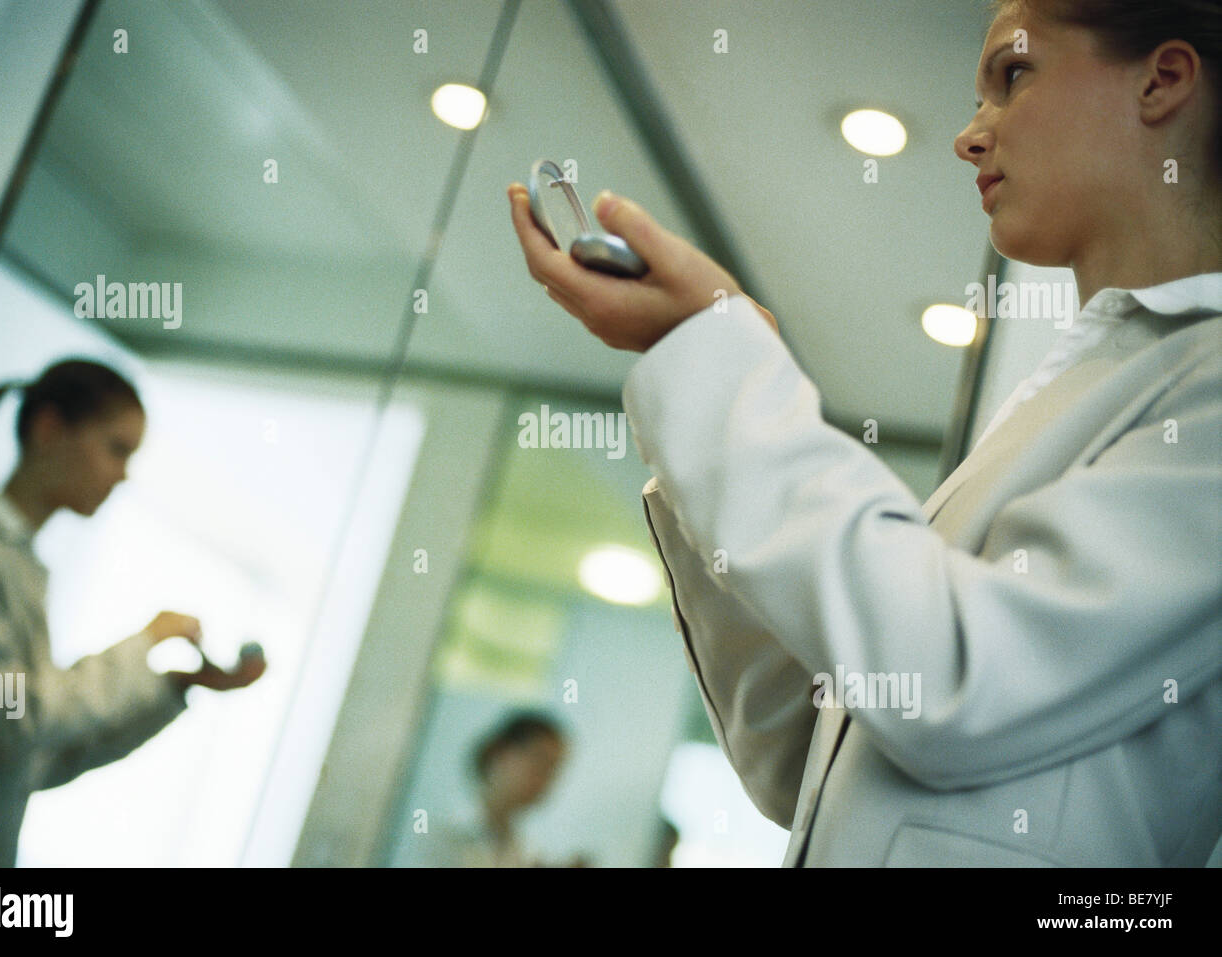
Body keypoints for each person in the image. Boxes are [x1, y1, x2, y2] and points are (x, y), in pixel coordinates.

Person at [508, 0, 1221, 866]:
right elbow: (799, 761)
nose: (970, 136)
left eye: (1013, 75)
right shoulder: (1071, 397)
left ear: (1164, 79)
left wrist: (734, 388)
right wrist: (704, 382)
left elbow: (952, 682)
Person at [0, 359, 265, 867]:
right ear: (49, 428)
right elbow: (13, 722)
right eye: (117, 449)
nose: (123, 475)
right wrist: (145, 642)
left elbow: (34, 762)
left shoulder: (21, 566)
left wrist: (174, 687)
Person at [415, 711, 568, 867]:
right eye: (539, 763)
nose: (546, 780)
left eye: (553, 770)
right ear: (500, 754)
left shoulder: (526, 849)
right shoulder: (436, 829)